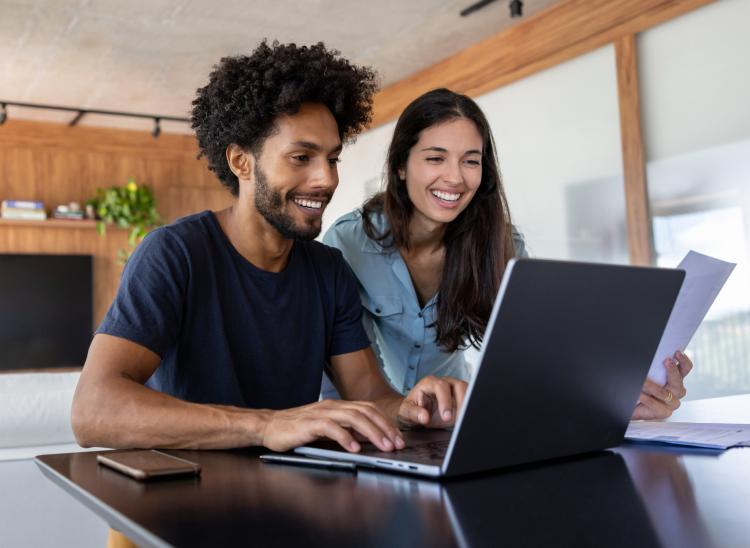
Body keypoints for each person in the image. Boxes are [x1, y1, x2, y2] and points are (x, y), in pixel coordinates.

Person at [71, 42, 467, 455]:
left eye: (332, 159)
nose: (326, 179)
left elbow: (367, 392)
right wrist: (266, 425)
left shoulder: (328, 270)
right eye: (301, 157)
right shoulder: (174, 255)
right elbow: (93, 411)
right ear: (241, 162)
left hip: (280, 496)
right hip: (179, 501)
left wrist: (411, 409)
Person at [323, 88, 691, 421]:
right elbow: (349, 370)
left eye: (470, 160)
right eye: (436, 158)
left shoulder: (501, 245)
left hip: (452, 422)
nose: (455, 178)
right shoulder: (349, 242)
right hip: (367, 421)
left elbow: (545, 348)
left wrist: (621, 392)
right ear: (401, 166)